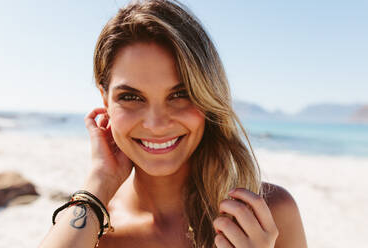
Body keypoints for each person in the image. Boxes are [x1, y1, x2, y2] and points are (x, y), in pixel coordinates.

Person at [39, 0, 307, 247]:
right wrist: (99, 182)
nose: (156, 124)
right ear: (105, 100)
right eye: (131, 97)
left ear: (207, 97)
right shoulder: (89, 232)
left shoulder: (269, 216)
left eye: (180, 94)